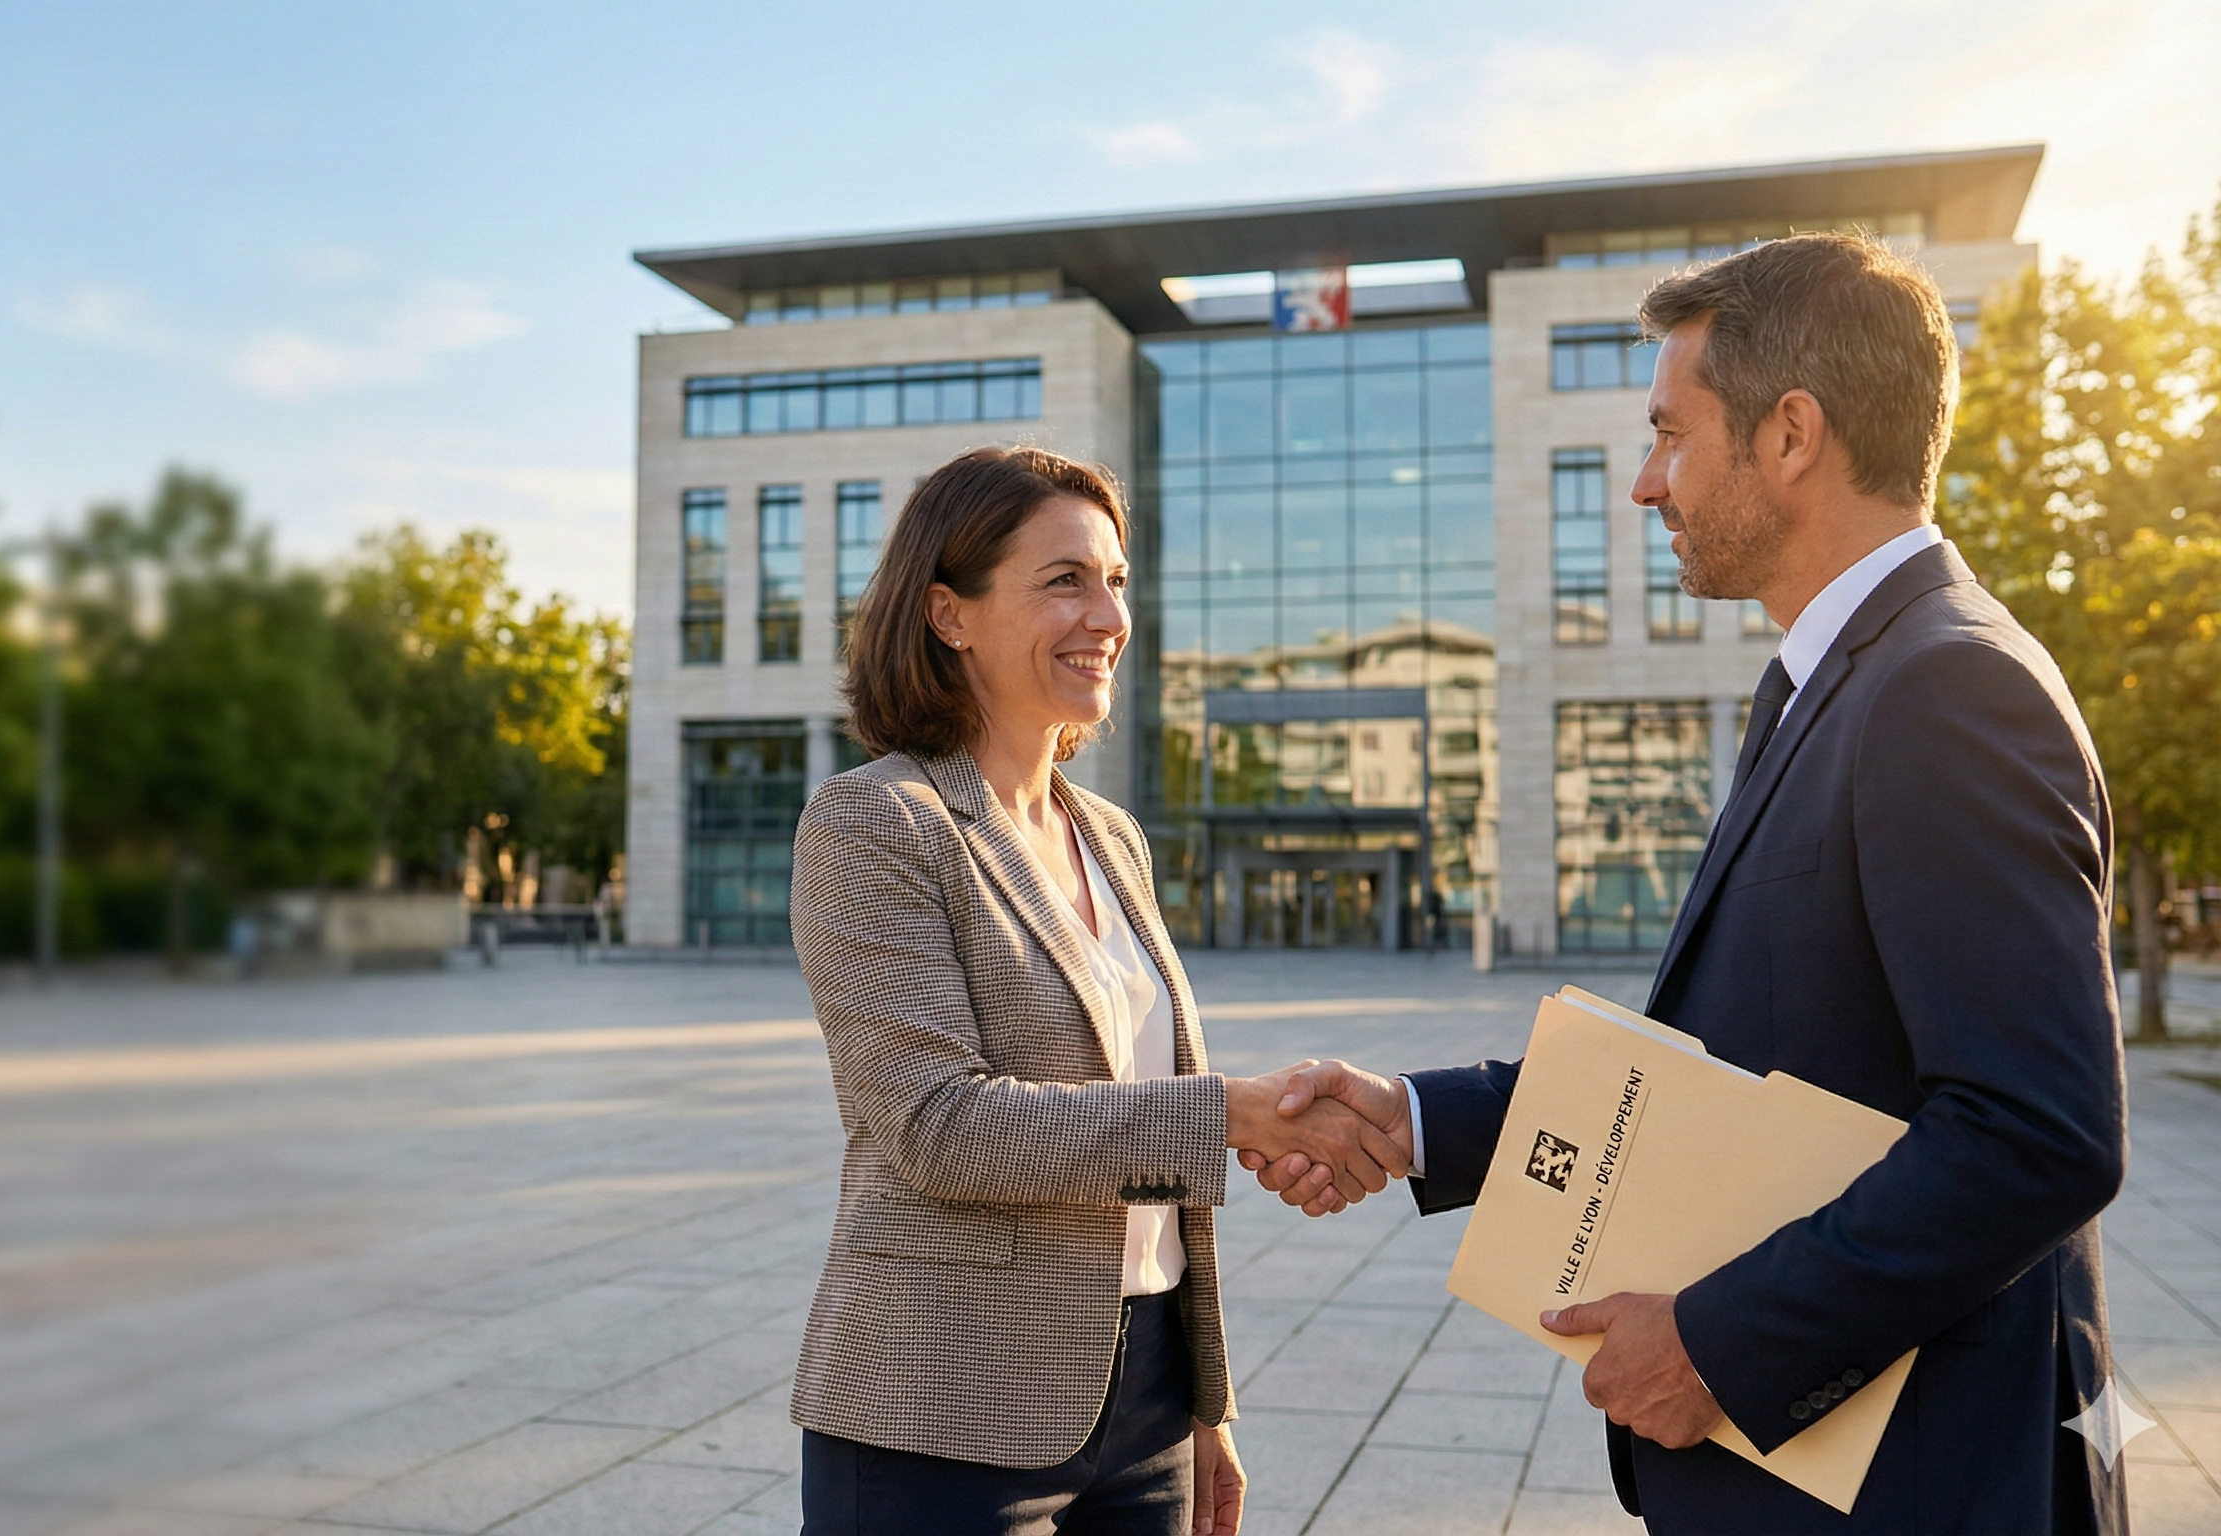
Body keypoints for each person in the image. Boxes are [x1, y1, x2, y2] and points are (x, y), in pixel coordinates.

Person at [1250, 233, 2128, 1533]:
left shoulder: (1946, 688)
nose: (1644, 483)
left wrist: (1721, 1345)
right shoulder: (1826, 689)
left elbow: (2036, 1132)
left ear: (1791, 435)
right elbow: (1729, 1058)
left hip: (1909, 1485)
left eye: (1669, 433)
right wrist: (1415, 1121)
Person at [788, 446, 1409, 1536]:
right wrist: (1232, 1113)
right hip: (944, 1409)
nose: (1109, 616)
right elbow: (938, 1127)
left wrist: (1203, 1401)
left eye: (1116, 580)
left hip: (1148, 1405)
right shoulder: (876, 822)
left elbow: (1141, 1130)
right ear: (949, 614)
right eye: (1065, 580)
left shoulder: (1110, 836)